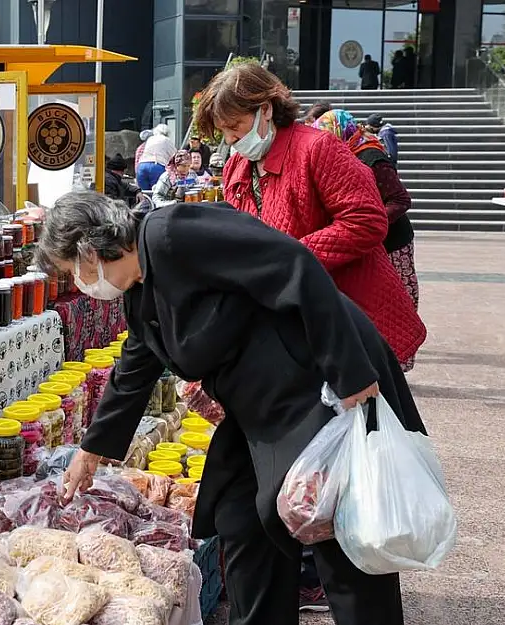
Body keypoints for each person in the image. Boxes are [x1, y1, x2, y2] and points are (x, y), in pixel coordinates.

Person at [44, 191, 422, 625]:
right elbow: (136, 363)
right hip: (260, 402)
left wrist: (350, 375)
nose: (78, 284)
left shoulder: (172, 232)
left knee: (332, 521)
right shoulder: (139, 288)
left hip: (317, 376)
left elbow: (296, 264)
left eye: (73, 270)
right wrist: (91, 451)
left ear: (91, 249)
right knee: (241, 517)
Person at [193, 61, 425, 375]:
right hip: (290, 316)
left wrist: (293, 256)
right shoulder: (238, 167)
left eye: (236, 125)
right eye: (223, 130)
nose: (231, 138)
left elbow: (366, 220)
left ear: (266, 109)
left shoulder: (317, 148)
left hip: (347, 312)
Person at [313, 110, 418, 363]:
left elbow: (401, 199)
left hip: (393, 241)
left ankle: (397, 361)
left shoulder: (371, 156)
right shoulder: (342, 156)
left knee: (396, 299)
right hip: (369, 241)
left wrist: (370, 218)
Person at [136, 124, 177, 191]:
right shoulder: (166, 140)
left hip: (141, 166)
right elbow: (175, 155)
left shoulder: (150, 139)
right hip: (157, 165)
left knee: (144, 193)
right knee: (157, 192)